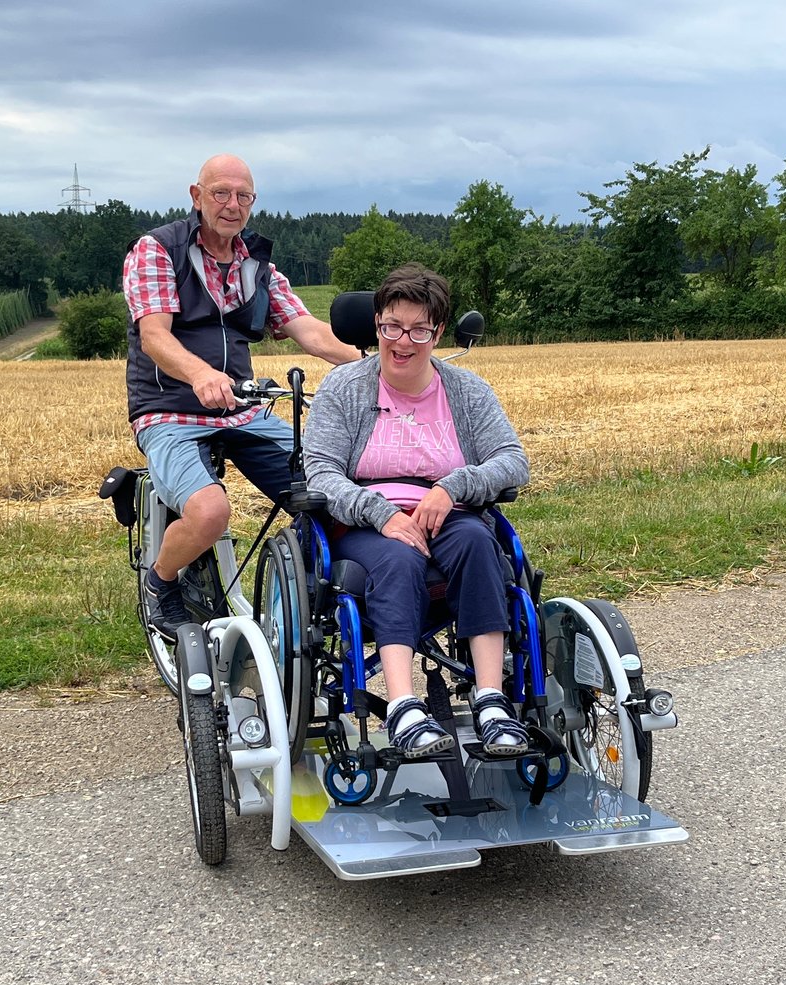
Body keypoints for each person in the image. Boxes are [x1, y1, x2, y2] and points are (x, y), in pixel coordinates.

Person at [301, 264, 531, 758]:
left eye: (419, 330)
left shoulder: (467, 392)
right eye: (391, 327)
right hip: (363, 521)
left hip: (448, 512)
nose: (403, 342)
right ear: (377, 323)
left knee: (476, 542)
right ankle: (404, 706)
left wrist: (453, 487)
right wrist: (379, 512)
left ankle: (491, 701)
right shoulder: (343, 388)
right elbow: (320, 472)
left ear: (438, 331)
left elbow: (513, 461)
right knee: (399, 559)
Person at [122, 154, 359, 633]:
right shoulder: (157, 250)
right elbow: (155, 336)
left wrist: (376, 365)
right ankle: (161, 582)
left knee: (326, 490)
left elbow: (307, 329)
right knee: (210, 512)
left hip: (243, 411)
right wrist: (201, 374)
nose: (232, 205)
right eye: (220, 193)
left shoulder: (257, 263)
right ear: (196, 196)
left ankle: (310, 586)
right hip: (171, 412)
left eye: (243, 196)